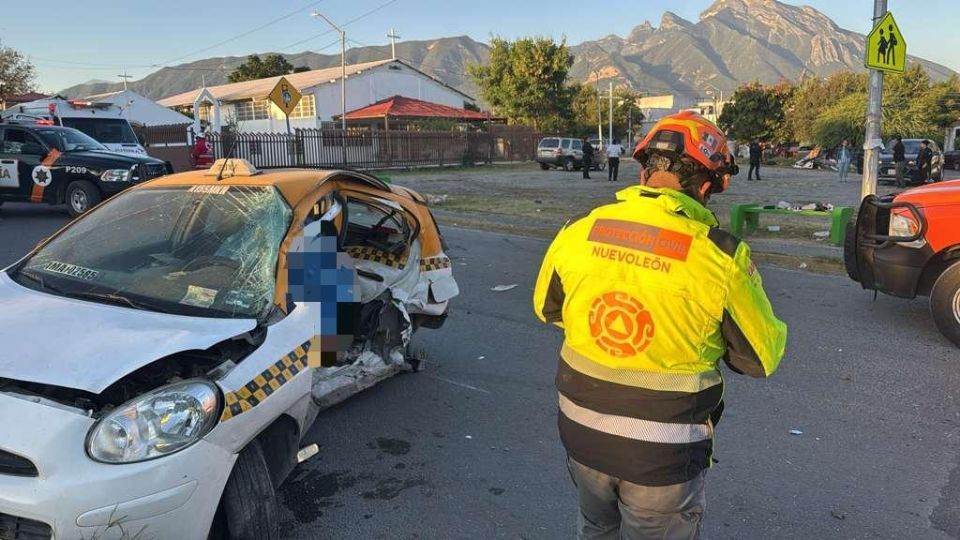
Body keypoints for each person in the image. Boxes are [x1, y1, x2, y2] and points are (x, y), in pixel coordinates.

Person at [533, 110, 787, 540]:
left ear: (645, 170)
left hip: (581, 434)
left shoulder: (580, 230)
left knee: (595, 529)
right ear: (707, 185)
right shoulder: (719, 256)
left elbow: (548, 309)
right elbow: (760, 359)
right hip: (661, 455)